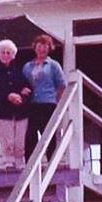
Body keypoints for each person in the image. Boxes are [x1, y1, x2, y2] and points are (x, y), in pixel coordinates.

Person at [0, 39, 31, 170]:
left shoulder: (19, 72)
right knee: (6, 139)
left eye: (8, 52)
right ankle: (8, 161)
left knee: (20, 139)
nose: (6, 55)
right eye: (3, 52)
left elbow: (27, 88)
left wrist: (21, 96)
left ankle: (20, 161)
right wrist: (8, 96)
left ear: (13, 55)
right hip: (3, 111)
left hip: (20, 111)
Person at [23, 34, 66, 163]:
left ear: (49, 48)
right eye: (39, 45)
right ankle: (30, 163)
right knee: (30, 134)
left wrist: (57, 102)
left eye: (45, 46)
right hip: (32, 104)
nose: (42, 49)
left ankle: (51, 161)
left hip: (48, 104)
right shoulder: (27, 66)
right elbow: (22, 83)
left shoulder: (53, 65)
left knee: (48, 134)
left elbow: (61, 85)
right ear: (35, 47)